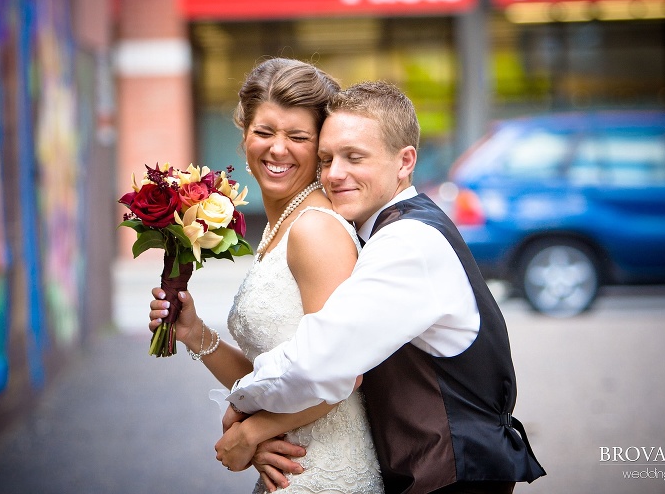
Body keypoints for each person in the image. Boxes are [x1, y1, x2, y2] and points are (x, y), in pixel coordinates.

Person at [221, 81, 546, 494]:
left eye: (354, 157)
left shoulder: (407, 242)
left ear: (404, 161)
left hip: (453, 474)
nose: (335, 174)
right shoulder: (385, 229)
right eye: (326, 159)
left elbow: (321, 359)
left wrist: (240, 407)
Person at [148, 59, 384, 493]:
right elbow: (273, 373)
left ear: (320, 147)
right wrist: (194, 332)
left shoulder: (315, 229)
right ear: (244, 137)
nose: (278, 149)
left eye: (298, 137)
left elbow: (343, 374)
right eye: (264, 132)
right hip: (290, 470)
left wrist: (249, 434)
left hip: (327, 475)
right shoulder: (283, 227)